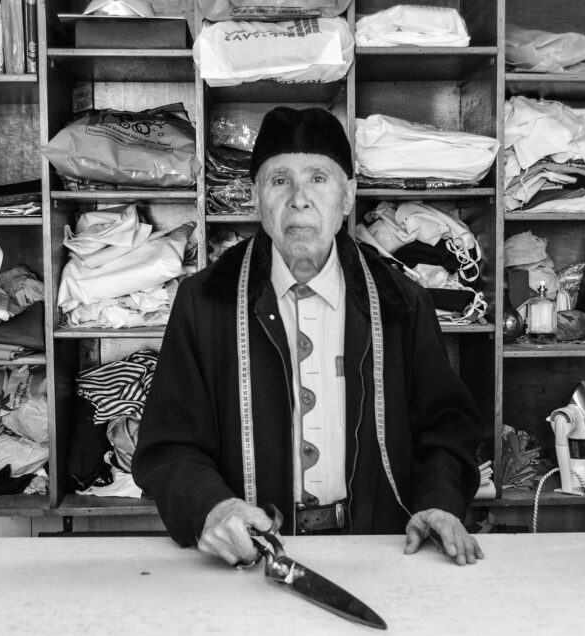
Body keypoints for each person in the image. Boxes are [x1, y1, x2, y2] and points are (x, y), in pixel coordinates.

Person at [132, 106, 485, 567]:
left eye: (318, 178)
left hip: (381, 549)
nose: (299, 198)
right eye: (280, 180)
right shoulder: (205, 302)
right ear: (256, 198)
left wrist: (438, 500)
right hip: (253, 556)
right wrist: (210, 507)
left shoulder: (401, 302)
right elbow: (168, 445)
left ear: (346, 198)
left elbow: (446, 428)